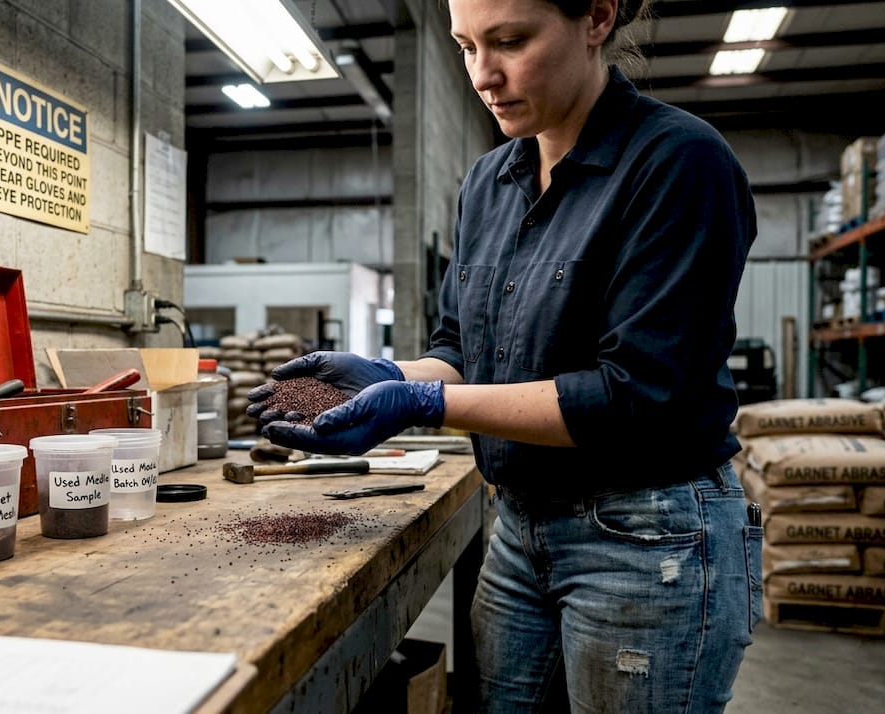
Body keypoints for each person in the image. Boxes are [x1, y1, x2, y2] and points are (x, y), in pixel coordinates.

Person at [247, 0, 760, 711]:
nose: (484, 75)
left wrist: (425, 404)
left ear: (597, 18)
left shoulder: (678, 163)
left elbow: (633, 396)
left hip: (647, 537)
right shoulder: (488, 184)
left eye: (510, 41)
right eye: (465, 46)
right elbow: (462, 350)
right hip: (520, 526)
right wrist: (395, 375)